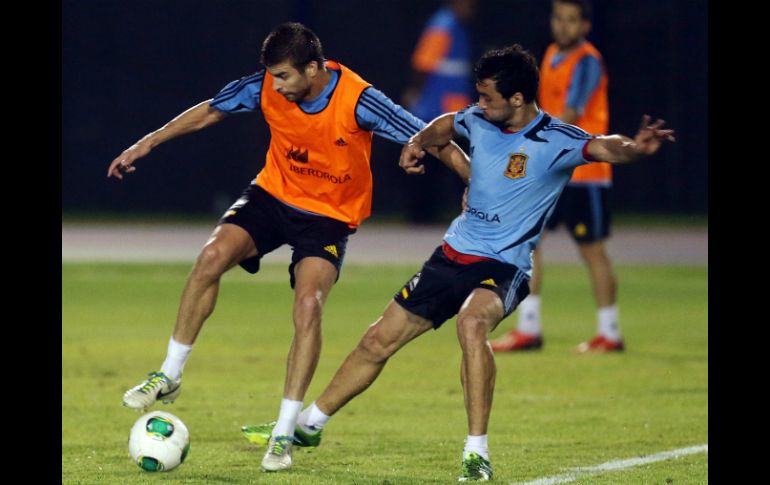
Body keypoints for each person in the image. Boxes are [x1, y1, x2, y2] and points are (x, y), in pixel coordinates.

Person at [241, 44, 674, 480]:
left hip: (504, 265)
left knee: (471, 324)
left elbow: (606, 147)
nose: (479, 105)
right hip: (452, 253)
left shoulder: (557, 140)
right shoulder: (479, 119)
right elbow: (445, 124)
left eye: (488, 98)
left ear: (518, 99)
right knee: (377, 341)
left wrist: (637, 148)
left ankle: (476, 452)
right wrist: (416, 142)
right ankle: (310, 424)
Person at [108, 22, 470, 473]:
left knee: (308, 304)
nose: (275, 86)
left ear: (314, 69)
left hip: (328, 217)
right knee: (211, 257)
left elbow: (431, 135)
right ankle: (170, 373)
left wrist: (473, 182)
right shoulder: (266, 87)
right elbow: (211, 110)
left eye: (284, 77)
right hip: (274, 195)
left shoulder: (357, 99)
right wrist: (147, 143)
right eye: (272, 77)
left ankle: (283, 433)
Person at [491, 0, 621, 353]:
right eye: (558, 18)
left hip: (586, 171)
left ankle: (610, 332)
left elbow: (571, 113)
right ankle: (529, 327)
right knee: (529, 245)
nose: (563, 26)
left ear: (585, 26)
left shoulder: (587, 60)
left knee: (592, 250)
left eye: (571, 20)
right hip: (553, 171)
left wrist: (526, 134)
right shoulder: (550, 54)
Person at [400, 0, 477, 223]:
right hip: (435, 109)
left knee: (449, 167)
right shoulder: (442, 26)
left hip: (453, 109)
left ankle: (433, 216)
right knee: (432, 167)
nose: (471, 8)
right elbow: (423, 65)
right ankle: (421, 218)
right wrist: (415, 93)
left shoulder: (457, 26)